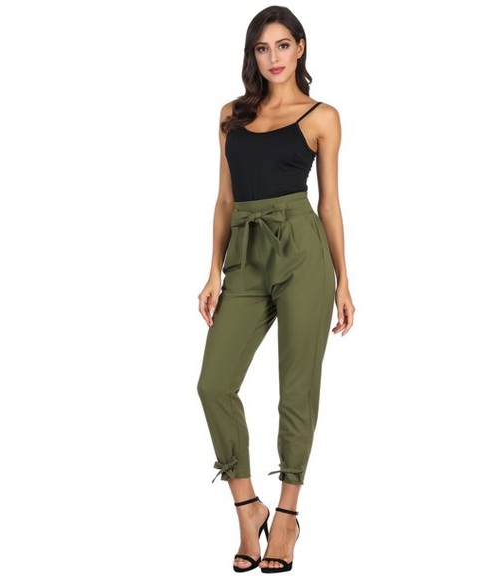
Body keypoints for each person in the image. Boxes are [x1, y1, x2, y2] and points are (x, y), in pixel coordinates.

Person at [196, 5, 355, 573]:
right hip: (244, 255)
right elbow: (225, 199)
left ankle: (286, 514)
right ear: (253, 55)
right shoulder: (231, 115)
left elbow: (329, 204)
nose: (273, 58)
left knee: (297, 388)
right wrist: (213, 271)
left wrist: (343, 281)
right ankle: (248, 507)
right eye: (262, 49)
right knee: (214, 385)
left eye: (283, 45)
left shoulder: (321, 117)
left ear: (300, 47)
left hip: (302, 254)